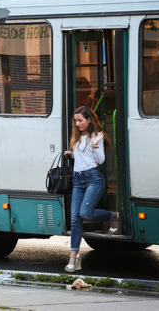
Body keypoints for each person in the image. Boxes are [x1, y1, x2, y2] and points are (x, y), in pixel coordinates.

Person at [63, 106, 119, 272]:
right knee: (75, 218)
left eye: (80, 120)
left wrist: (95, 147)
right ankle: (74, 256)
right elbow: (81, 155)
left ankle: (113, 216)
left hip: (93, 178)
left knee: (84, 213)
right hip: (78, 179)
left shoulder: (97, 137)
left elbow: (100, 160)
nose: (78, 123)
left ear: (89, 120)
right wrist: (72, 154)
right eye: (76, 121)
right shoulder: (77, 137)